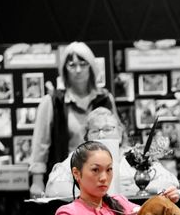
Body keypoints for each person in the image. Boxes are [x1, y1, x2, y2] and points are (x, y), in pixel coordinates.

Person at [29, 42, 116, 198]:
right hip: (66, 181)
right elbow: (40, 145)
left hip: (102, 179)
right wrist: (37, 181)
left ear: (91, 66)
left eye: (83, 64)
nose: (78, 70)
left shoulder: (105, 99)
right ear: (64, 69)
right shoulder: (52, 101)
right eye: (72, 65)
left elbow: (117, 136)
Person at [45, 107, 179, 198]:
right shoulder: (79, 157)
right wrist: (94, 189)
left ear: (120, 133)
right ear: (87, 137)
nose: (101, 135)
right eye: (95, 131)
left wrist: (138, 188)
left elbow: (170, 182)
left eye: (107, 129)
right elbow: (53, 188)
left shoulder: (136, 156)